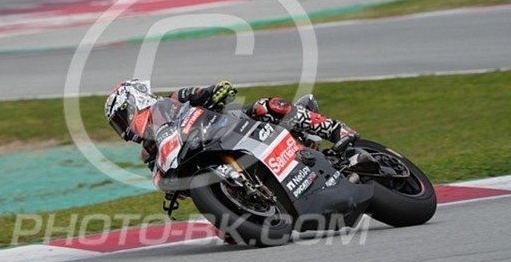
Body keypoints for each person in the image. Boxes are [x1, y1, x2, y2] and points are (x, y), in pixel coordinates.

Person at [104, 79, 359, 175]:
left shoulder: (173, 99)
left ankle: (336, 131)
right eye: (118, 125)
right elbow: (170, 182)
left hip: (232, 127)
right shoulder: (150, 152)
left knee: (266, 106)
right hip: (214, 163)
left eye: (122, 118)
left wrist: (216, 91)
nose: (123, 128)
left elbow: (207, 91)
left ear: (135, 101)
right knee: (229, 234)